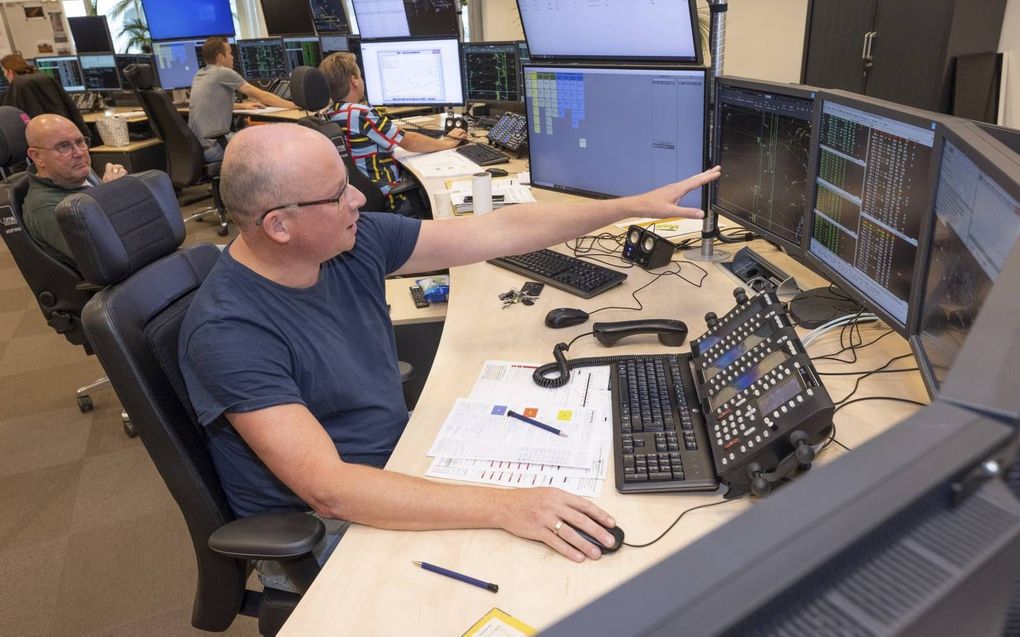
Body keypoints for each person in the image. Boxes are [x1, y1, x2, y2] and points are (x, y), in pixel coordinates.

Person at [178, 122, 720, 591]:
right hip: (328, 523)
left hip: (398, 456)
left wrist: (625, 209)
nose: (359, 201)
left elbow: (497, 230)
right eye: (338, 194)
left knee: (597, 491)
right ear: (279, 225)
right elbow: (330, 489)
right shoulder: (229, 329)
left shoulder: (347, 242)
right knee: (558, 576)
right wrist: (505, 506)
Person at [319, 52, 468, 212]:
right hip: (389, 196)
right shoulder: (360, 113)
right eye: (360, 76)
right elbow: (410, 141)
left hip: (359, 192)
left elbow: (392, 135)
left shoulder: (329, 113)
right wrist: (447, 143)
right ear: (354, 81)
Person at [23, 114, 127, 267]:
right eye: (63, 146)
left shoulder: (76, 173)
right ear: (37, 157)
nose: (79, 153)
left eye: (80, 142)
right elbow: (105, 257)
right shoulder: (47, 208)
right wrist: (110, 195)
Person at [188, 37, 297, 162]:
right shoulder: (223, 73)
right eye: (230, 53)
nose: (233, 57)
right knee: (266, 146)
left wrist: (242, 106)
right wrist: (295, 105)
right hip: (215, 148)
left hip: (197, 149)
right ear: (220, 57)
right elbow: (263, 96)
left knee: (250, 137)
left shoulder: (200, 74)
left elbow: (211, 104)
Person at [1, 54, 89, 137]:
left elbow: (9, 118)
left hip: (40, 137)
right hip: (64, 131)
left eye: (4, 71)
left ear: (10, 71)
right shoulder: (44, 77)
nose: (4, 74)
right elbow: (70, 106)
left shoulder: (17, 85)